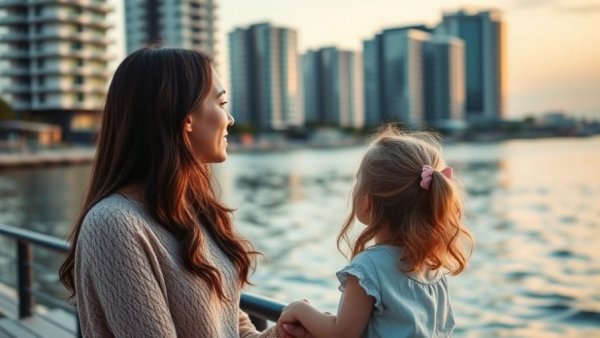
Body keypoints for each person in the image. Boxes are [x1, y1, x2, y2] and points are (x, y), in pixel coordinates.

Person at [58, 47, 308, 338]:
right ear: (186, 118)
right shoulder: (113, 225)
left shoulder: (192, 213)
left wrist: (283, 334)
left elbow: (232, 330)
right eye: (221, 103)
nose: (230, 118)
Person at [277, 127, 474, 338]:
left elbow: (343, 334)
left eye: (357, 182)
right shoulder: (432, 264)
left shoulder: (368, 268)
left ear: (367, 202)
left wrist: (300, 310)